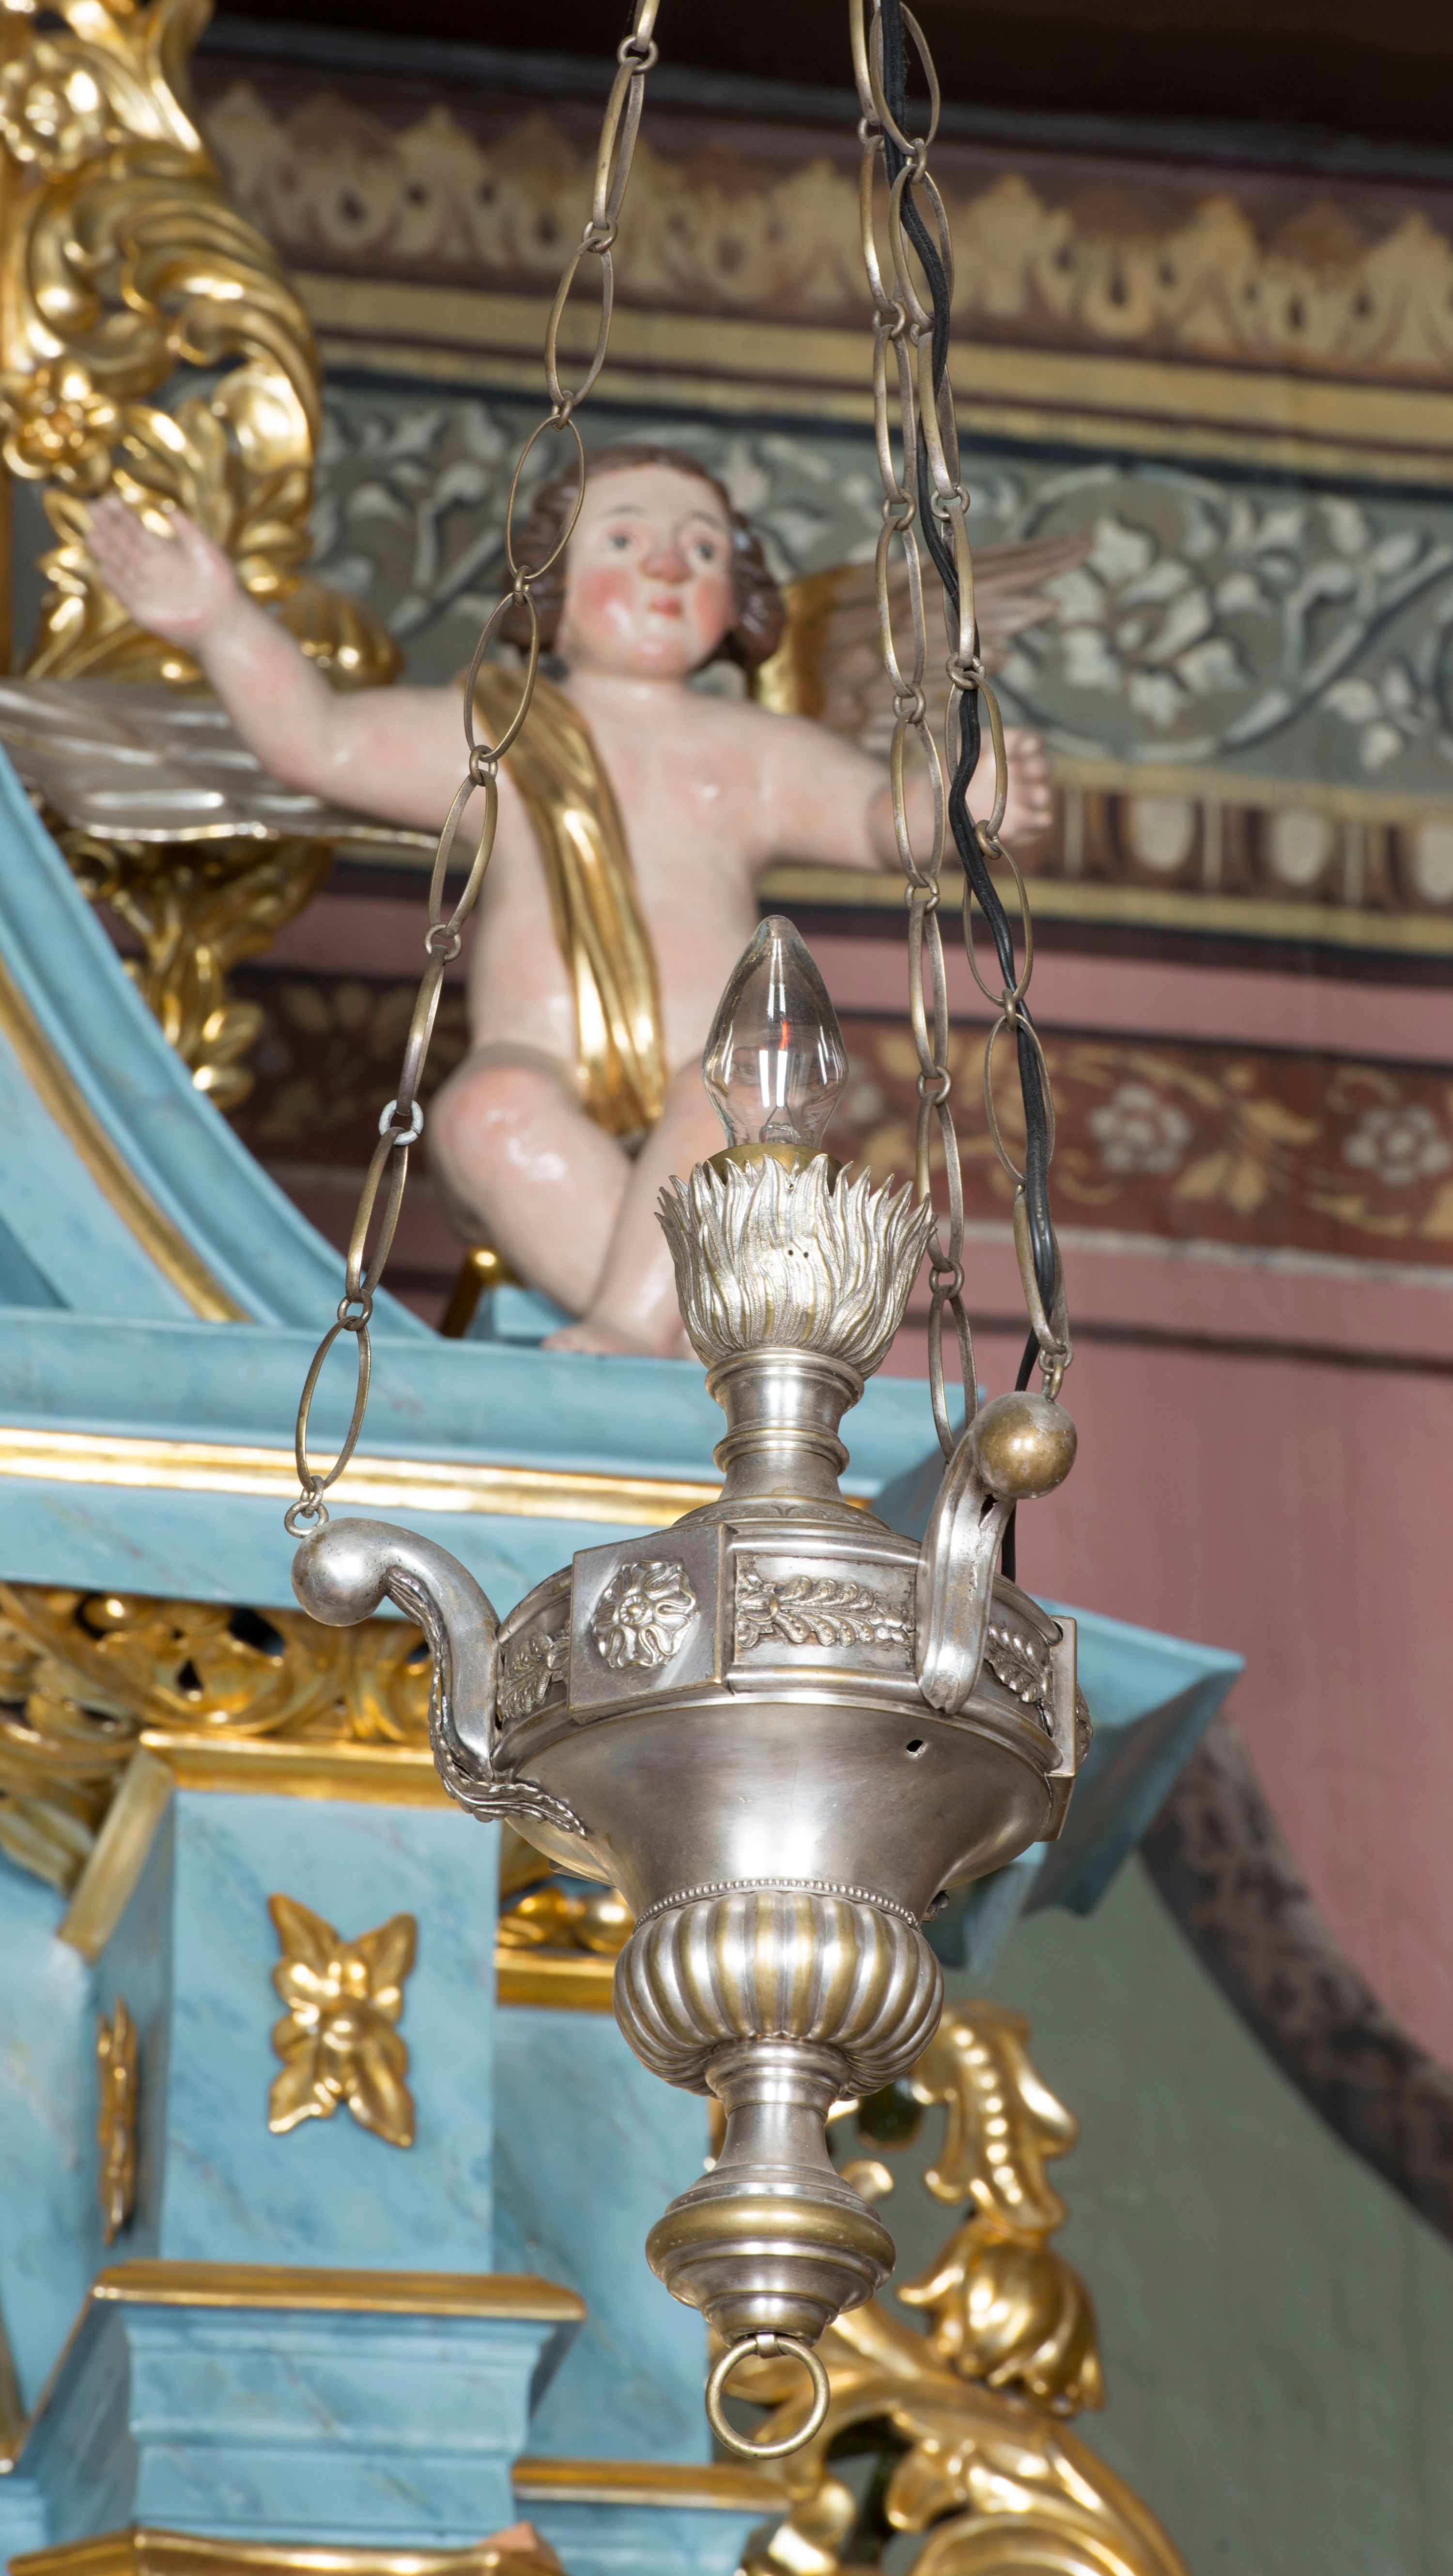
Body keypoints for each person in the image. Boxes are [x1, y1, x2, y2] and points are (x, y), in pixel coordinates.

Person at [87, 446, 1051, 1356]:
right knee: (486, 1113)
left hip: (709, 1079)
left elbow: (878, 823)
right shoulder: (504, 734)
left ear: (739, 596)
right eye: (624, 540)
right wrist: (221, 623)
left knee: (749, 1086)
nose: (667, 566)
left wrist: (959, 800)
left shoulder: (749, 751)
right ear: (549, 578)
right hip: (539, 1057)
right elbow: (321, 742)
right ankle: (702, 1352)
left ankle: (636, 1331)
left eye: (703, 551)